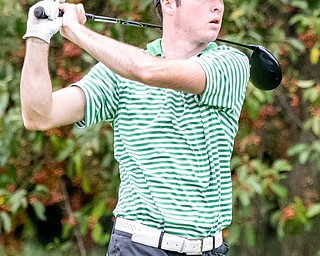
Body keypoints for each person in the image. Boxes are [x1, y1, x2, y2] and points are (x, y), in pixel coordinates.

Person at [21, 0, 250, 255]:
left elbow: (147, 71)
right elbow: (39, 115)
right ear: (170, 4)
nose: (218, 6)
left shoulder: (231, 63)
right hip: (138, 247)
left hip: (208, 248)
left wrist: (76, 31)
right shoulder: (119, 74)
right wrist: (38, 35)